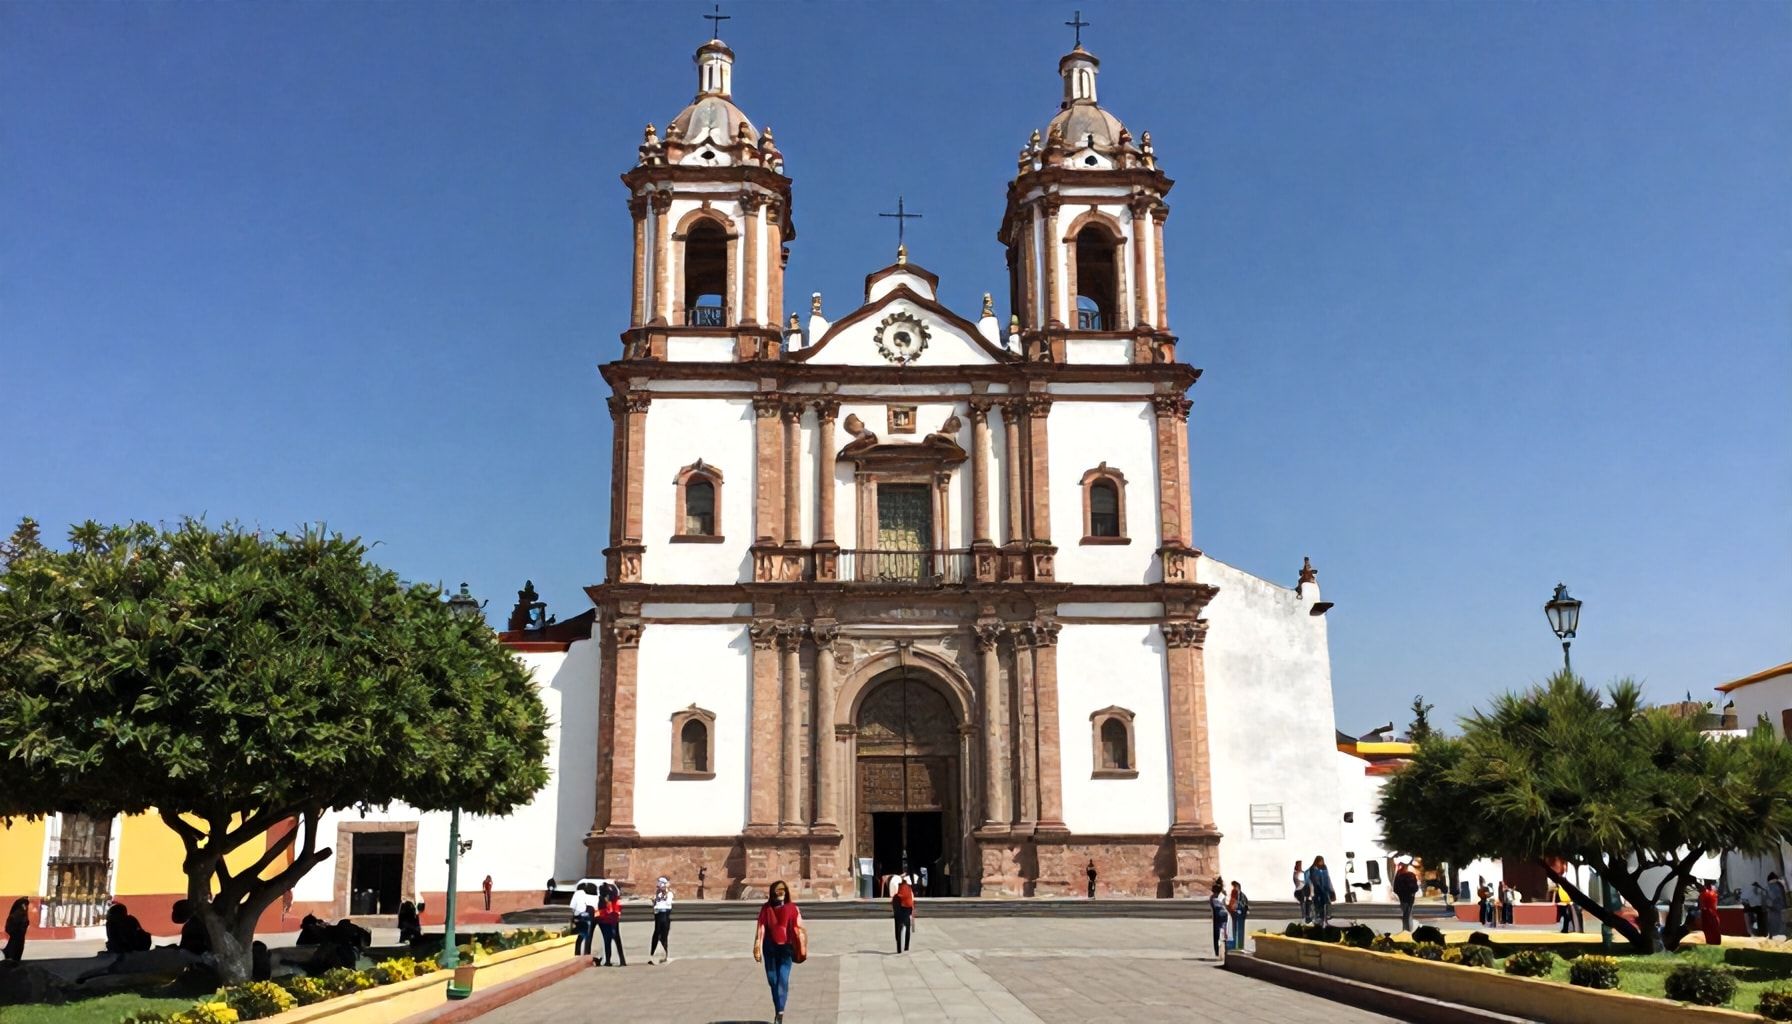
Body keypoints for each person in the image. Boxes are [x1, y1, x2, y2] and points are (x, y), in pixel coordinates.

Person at [753, 880, 802, 1024]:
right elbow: (761, 927)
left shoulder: (792, 908)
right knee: (772, 979)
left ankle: (780, 1012)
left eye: (782, 891)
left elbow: (799, 928)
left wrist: (800, 946)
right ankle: (778, 1008)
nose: (780, 894)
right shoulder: (766, 909)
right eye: (777, 891)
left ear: (786, 892)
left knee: (782, 980)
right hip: (769, 948)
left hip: (786, 948)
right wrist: (757, 946)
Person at [596, 882, 626, 966]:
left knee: (607, 940)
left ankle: (608, 961)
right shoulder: (615, 900)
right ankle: (622, 960)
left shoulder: (602, 900)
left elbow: (600, 910)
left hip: (604, 921)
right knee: (617, 940)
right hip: (614, 920)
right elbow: (618, 909)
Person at [568, 882, 598, 959]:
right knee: (588, 936)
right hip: (592, 916)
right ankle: (587, 953)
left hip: (580, 916)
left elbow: (572, 907)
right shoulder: (594, 895)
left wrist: (573, 918)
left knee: (580, 936)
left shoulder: (578, 894)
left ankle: (577, 953)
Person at [649, 876, 674, 964]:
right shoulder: (657, 895)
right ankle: (653, 954)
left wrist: (664, 893)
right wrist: (654, 901)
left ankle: (664, 955)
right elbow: (656, 906)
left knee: (664, 936)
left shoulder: (669, 894)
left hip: (665, 916)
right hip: (658, 916)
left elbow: (668, 904)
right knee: (656, 934)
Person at [1306, 857, 1336, 927]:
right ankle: (1318, 919)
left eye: (1322, 861)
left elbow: (1327, 879)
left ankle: (1325, 918)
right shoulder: (1312, 869)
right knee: (1318, 905)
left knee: (1326, 904)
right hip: (1316, 891)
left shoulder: (1324, 868)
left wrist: (1331, 890)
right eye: (1321, 861)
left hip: (1324, 890)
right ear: (1317, 861)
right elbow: (1314, 881)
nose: (1322, 862)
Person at [1393, 862, 1419, 934]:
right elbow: (1415, 887)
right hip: (1410, 897)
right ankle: (1408, 929)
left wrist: (1399, 894)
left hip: (1403, 897)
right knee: (1408, 913)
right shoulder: (1411, 875)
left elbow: (1395, 888)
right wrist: (1413, 892)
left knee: (1405, 914)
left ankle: (1406, 929)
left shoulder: (1398, 876)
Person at [892, 873, 915, 953]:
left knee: (898, 927)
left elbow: (893, 897)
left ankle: (899, 948)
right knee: (907, 927)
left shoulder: (896, 894)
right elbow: (912, 904)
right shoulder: (909, 890)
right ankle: (906, 946)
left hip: (898, 909)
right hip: (906, 911)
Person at [1208, 879, 1229, 958]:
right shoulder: (1223, 895)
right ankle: (1225, 950)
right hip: (1224, 916)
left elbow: (1212, 907)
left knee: (1217, 935)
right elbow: (1226, 905)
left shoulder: (1212, 897)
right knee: (1224, 933)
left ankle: (1217, 952)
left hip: (1217, 917)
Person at [1698, 879, 1722, 947]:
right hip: (1713, 912)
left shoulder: (1704, 892)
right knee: (1714, 928)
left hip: (1707, 912)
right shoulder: (1714, 891)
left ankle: (1710, 941)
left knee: (1708, 928)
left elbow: (1701, 904)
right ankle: (1715, 941)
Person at [4, 897, 28, 962]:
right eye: (25, 904)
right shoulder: (19, 913)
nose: (26, 906)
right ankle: (12, 958)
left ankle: (9, 955)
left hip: (18, 934)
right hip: (17, 933)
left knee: (15, 944)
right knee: (16, 946)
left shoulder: (20, 912)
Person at [1228, 881, 1250, 951]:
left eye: (1235, 886)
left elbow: (1244, 906)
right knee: (1234, 931)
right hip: (1234, 915)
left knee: (1240, 931)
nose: (1233, 888)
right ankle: (1234, 947)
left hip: (1240, 916)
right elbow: (1231, 904)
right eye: (1233, 887)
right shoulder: (1233, 894)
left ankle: (1240, 947)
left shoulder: (1242, 896)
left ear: (1238, 887)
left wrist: (1238, 908)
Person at [1765, 872, 1787, 939]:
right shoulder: (1780, 885)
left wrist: (1768, 905)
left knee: (1775, 926)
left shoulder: (1771, 886)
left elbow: (1770, 899)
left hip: (1775, 910)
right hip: (1781, 908)